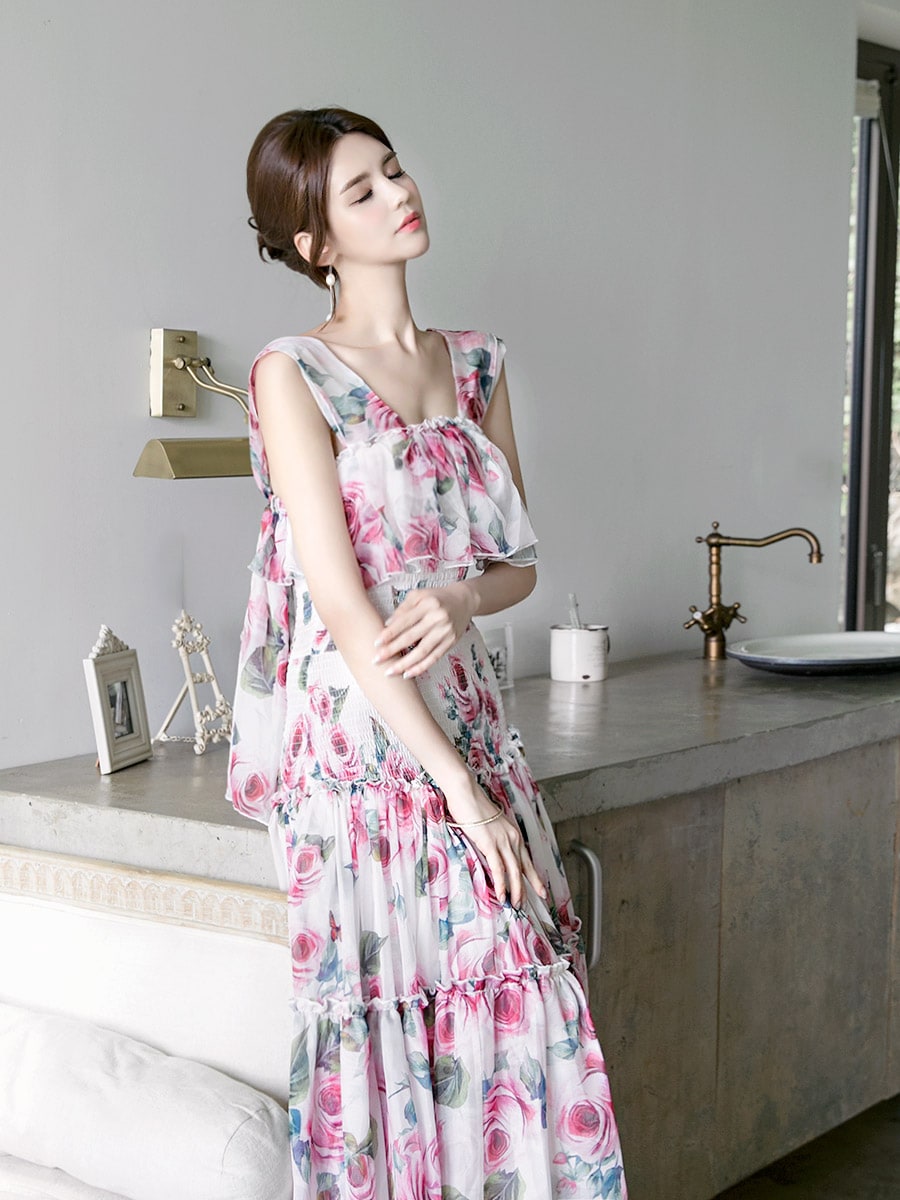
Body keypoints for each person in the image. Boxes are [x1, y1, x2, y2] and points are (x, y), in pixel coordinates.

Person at [227, 106, 626, 1200]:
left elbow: (518, 564)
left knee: (527, 1001)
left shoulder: (478, 363)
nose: (400, 194)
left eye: (394, 171)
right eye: (362, 191)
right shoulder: (291, 374)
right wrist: (459, 791)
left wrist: (461, 597)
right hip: (362, 746)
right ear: (315, 242)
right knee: (393, 1026)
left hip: (468, 713)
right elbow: (342, 608)